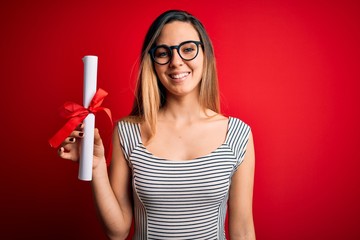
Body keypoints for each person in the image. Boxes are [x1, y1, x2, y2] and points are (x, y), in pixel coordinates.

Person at [58, 10, 256, 240]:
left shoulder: (238, 135)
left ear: (206, 55)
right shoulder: (127, 132)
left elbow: (242, 230)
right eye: (163, 53)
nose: (176, 61)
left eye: (188, 49)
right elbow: (118, 232)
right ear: (152, 62)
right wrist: (97, 166)